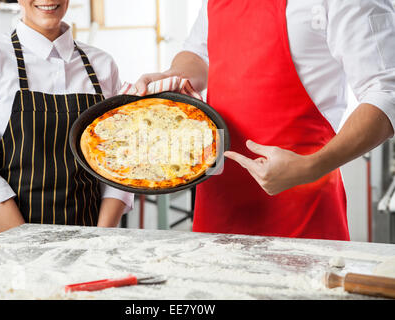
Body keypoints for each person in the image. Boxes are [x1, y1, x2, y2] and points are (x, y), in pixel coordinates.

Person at [126, 0, 395, 240]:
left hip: (300, 201)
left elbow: (386, 92)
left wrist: (311, 167)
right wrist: (174, 74)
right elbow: (197, 53)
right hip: (219, 200)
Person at [0, 0, 134, 242]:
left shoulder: (102, 64)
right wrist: (36, 253)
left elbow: (118, 169)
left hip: (89, 245)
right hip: (9, 246)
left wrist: (98, 241)